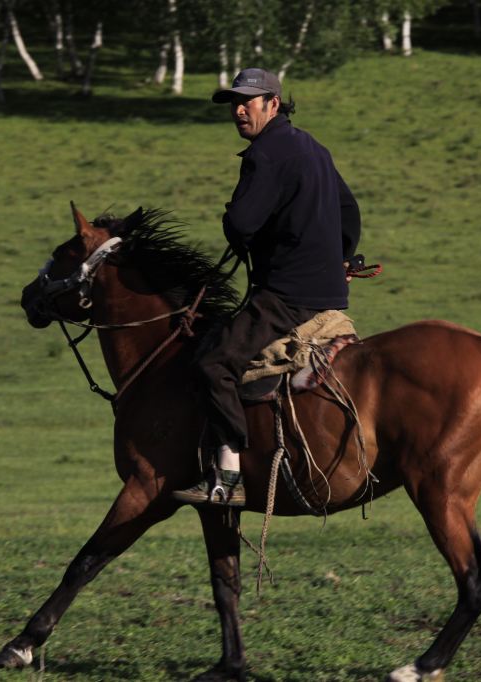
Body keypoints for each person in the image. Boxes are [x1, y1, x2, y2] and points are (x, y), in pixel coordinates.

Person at [172, 68, 361, 507]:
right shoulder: (314, 148)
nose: (239, 110)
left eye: (248, 101)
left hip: (286, 297)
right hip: (328, 292)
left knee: (213, 363)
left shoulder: (266, 153)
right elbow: (349, 214)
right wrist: (343, 258)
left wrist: (235, 227)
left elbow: (241, 223)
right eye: (234, 103)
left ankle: (228, 478)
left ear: (273, 104)